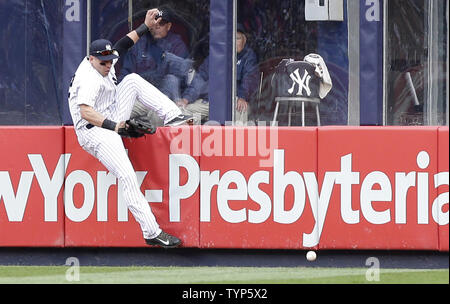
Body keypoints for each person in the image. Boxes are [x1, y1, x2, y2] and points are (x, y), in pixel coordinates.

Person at [67, 9, 192, 248]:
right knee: (126, 175)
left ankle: (173, 115)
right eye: (103, 62)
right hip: (93, 130)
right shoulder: (89, 78)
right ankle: (152, 232)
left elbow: (123, 44)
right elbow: (85, 112)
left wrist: (145, 26)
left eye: (110, 60)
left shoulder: (105, 58)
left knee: (132, 81)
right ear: (91, 59)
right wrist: (118, 127)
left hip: (109, 112)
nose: (108, 65)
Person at [120, 7, 190, 126]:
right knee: (117, 114)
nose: (157, 26)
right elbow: (126, 74)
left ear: (168, 26)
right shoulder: (139, 43)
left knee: (170, 80)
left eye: (161, 23)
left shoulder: (177, 44)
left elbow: (182, 77)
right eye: (155, 22)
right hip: (140, 99)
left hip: (166, 98)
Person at [234, 23, 260, 124]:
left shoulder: (249, 56)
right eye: (232, 38)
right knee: (186, 112)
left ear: (244, 40)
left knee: (241, 109)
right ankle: (189, 139)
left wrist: (242, 96)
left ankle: (237, 140)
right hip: (213, 99)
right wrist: (187, 98)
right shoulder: (219, 55)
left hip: (238, 99)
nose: (234, 42)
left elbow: (250, 78)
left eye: (237, 38)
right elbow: (203, 76)